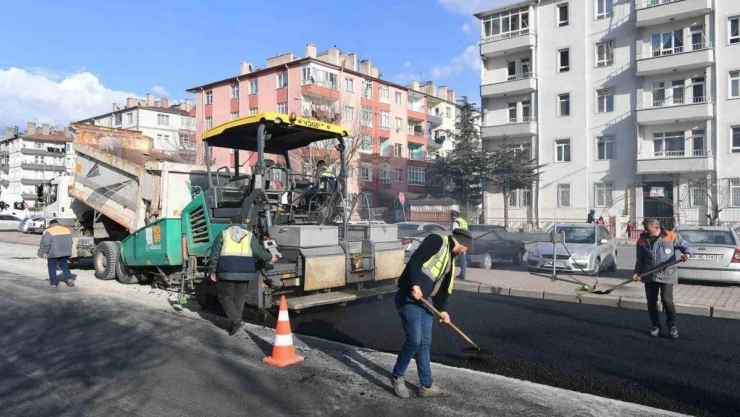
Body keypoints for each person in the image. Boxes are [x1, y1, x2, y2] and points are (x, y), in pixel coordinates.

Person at [390, 228, 473, 399]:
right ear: (461, 242)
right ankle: (397, 376)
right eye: (466, 249)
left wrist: (443, 310)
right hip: (409, 299)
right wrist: (414, 285)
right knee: (414, 340)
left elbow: (445, 288)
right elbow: (415, 260)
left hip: (427, 302)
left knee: (424, 343)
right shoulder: (437, 240)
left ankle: (426, 385)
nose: (465, 253)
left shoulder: (450, 259)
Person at [209, 216, 276, 336]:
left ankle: (236, 321)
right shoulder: (249, 235)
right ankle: (235, 324)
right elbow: (258, 252)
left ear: (230, 222)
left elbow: (214, 254)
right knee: (239, 298)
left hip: (227, 271)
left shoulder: (223, 234)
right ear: (242, 223)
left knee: (224, 296)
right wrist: (271, 257)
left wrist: (212, 271)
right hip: (245, 272)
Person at [632, 218, 692, 339]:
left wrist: (687, 254)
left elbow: (686, 246)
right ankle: (656, 326)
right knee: (651, 302)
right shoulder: (641, 240)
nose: (645, 231)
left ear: (656, 228)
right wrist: (637, 272)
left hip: (667, 274)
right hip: (649, 275)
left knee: (667, 300)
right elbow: (640, 259)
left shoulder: (671, 236)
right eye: (645, 229)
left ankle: (672, 326)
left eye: (648, 229)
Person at [38, 219, 74, 287]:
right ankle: (69, 279)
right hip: (65, 252)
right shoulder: (66, 230)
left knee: (52, 267)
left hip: (53, 253)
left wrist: (44, 252)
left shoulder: (49, 231)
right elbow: (71, 241)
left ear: (50, 224)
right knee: (64, 266)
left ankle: (53, 283)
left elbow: (46, 243)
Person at [450, 210, 469, 280]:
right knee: (463, 260)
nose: (450, 218)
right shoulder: (464, 221)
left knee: (452, 259)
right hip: (465, 241)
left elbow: (454, 233)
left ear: (453, 216)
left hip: (458, 242)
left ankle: (449, 274)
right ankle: (463, 275)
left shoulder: (456, 222)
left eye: (451, 216)